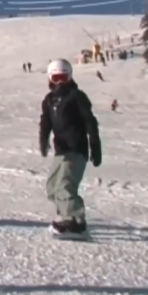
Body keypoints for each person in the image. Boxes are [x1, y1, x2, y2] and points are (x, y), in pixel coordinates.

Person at [39, 58, 102, 237]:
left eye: (63, 78)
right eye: (56, 77)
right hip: (61, 149)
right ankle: (65, 215)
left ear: (70, 77)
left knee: (66, 184)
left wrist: (95, 146)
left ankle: (76, 220)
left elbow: (90, 122)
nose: (60, 82)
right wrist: (43, 140)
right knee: (53, 186)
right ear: (50, 78)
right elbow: (45, 122)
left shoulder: (77, 96)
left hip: (76, 147)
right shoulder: (49, 100)